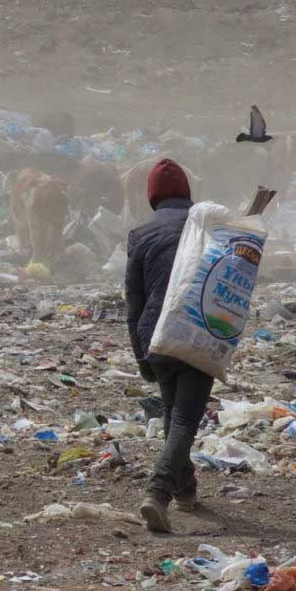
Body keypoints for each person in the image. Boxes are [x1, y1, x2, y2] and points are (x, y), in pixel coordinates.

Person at [125, 158, 209, 533]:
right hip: (199, 332)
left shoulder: (141, 235)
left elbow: (134, 303)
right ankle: (158, 493)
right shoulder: (211, 229)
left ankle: (186, 490)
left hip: (156, 334)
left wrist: (140, 354)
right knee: (185, 419)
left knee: (175, 412)